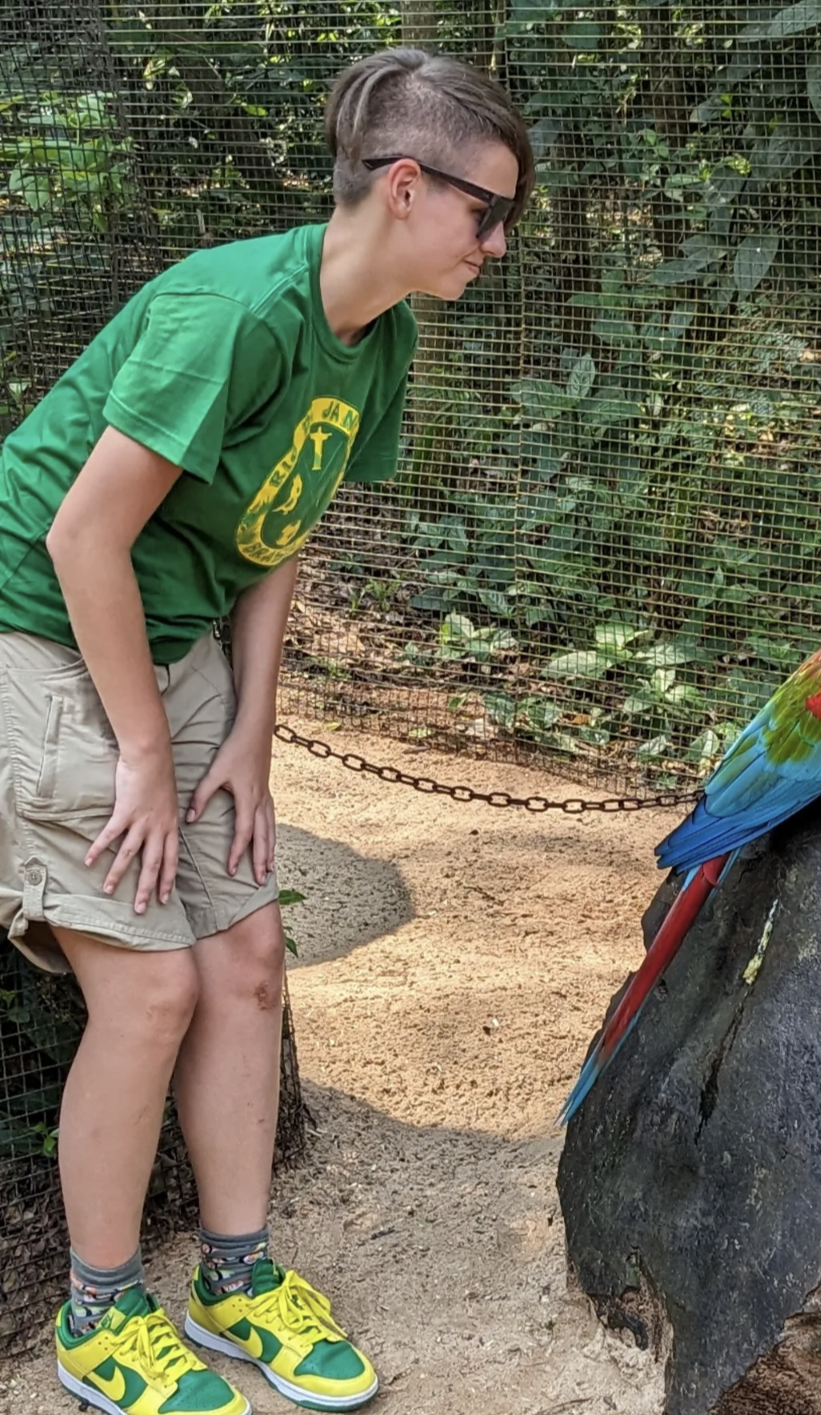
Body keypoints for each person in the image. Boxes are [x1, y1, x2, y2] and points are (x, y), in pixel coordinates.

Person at [0, 46, 533, 1415]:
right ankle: (99, 1310)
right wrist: (139, 751)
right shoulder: (234, 311)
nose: (500, 242)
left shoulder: (384, 328)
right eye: (490, 211)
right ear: (408, 186)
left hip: (170, 632)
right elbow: (81, 534)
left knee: (245, 955)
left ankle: (236, 1276)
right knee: (154, 986)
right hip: (46, 624)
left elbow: (281, 526)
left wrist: (248, 732)